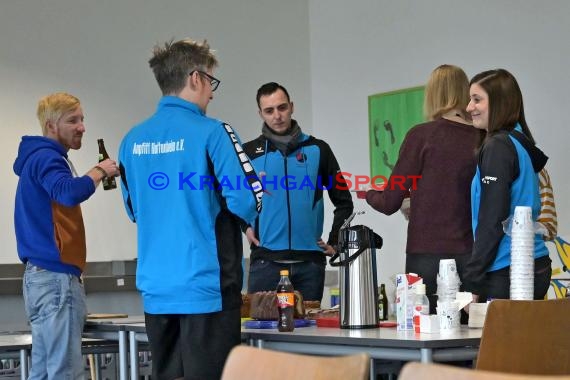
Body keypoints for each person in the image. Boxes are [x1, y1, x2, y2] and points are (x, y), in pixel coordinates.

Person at [118, 38, 262, 380]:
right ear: (195, 78)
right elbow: (246, 200)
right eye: (211, 82)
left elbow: (133, 210)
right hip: (207, 288)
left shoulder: (131, 140)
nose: (212, 93)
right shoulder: (214, 132)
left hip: (157, 290)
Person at [13, 92, 120, 379]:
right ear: (51, 125)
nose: (82, 127)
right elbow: (67, 192)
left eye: (82, 119)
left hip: (37, 279)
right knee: (65, 371)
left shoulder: (34, 159)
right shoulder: (48, 157)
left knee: (44, 371)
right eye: (73, 120)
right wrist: (100, 170)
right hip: (56, 279)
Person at [365, 65, 483, 314]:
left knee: (425, 335)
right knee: (469, 338)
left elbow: (389, 202)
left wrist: (368, 193)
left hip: (426, 256)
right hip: (471, 255)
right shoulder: (482, 138)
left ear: (431, 95)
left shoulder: (421, 136)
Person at [243, 82, 353, 302]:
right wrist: (244, 226)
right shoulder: (248, 154)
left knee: (309, 333)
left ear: (291, 107)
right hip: (265, 264)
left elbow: (344, 202)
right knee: (260, 332)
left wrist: (336, 242)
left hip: (310, 265)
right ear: (260, 113)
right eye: (269, 110)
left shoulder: (318, 150)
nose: (277, 115)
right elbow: (230, 199)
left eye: (282, 107)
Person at [463, 68, 551, 302]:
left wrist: (473, 277)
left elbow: (493, 217)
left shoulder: (497, 147)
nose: (469, 107)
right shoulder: (518, 141)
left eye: (477, 99)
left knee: (497, 340)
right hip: (535, 262)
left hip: (508, 269)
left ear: (500, 103)